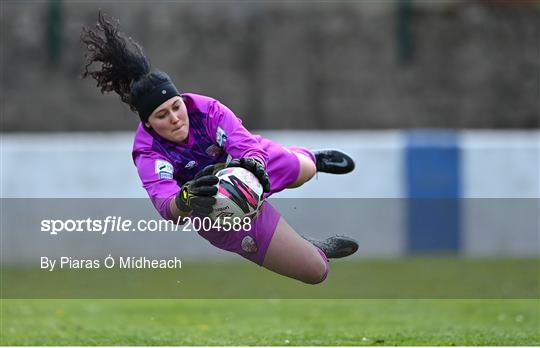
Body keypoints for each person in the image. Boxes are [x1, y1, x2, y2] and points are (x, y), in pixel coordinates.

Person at [81, 12, 358, 284]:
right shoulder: (148, 151)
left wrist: (254, 166)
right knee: (316, 271)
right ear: (149, 124)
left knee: (304, 170)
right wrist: (186, 199)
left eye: (176, 107)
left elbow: (245, 145)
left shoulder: (205, 110)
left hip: (249, 168)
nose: (175, 118)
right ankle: (305, 246)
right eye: (162, 115)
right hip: (218, 213)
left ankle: (312, 158)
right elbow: (166, 206)